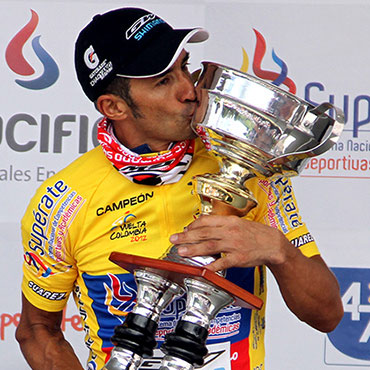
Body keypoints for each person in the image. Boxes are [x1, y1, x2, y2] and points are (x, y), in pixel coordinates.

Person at [15, 6, 343, 370]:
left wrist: (278, 250)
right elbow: (36, 330)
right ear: (114, 106)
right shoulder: (65, 199)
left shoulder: (252, 169)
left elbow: (327, 315)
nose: (190, 89)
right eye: (162, 80)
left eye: (184, 67)